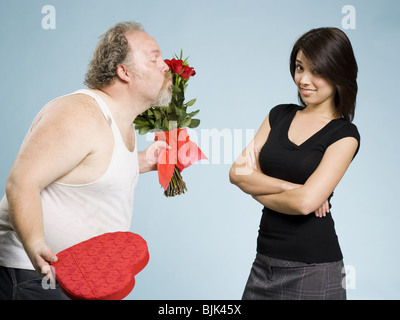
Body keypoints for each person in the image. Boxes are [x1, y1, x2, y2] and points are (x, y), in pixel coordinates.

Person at [0, 21, 172, 300]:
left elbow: (84, 169)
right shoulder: (80, 114)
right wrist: (34, 244)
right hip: (35, 277)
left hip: (80, 279)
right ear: (124, 71)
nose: (165, 66)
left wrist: (141, 161)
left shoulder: (119, 121)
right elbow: (22, 182)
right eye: (154, 58)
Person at [230, 27, 360, 300]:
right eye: (300, 68)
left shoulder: (345, 134)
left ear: (340, 73)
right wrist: (292, 187)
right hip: (264, 263)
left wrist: (255, 188)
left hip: (314, 270)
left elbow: (305, 204)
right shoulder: (278, 115)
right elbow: (237, 172)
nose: (304, 79)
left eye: (317, 71)